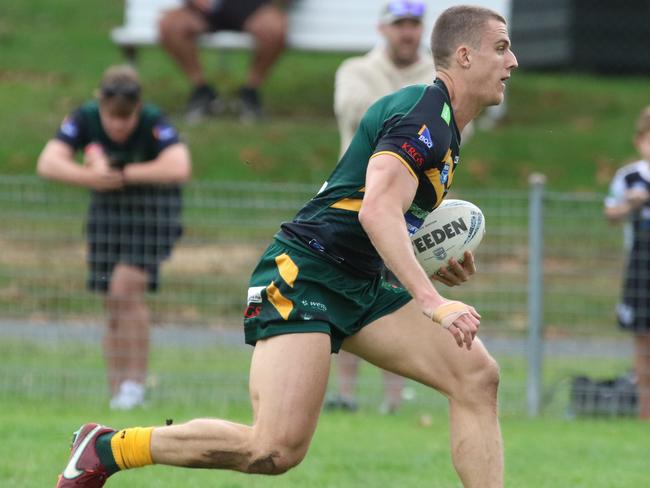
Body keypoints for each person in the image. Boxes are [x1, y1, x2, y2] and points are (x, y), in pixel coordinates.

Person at [54, 6, 517, 488]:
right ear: (464, 56)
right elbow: (375, 211)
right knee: (273, 450)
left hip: (361, 281)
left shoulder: (446, 124)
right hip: (306, 273)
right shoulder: (424, 117)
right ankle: (106, 448)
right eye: (501, 48)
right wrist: (432, 301)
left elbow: (388, 213)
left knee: (475, 376)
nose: (513, 62)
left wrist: (426, 261)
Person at [37, 65, 191, 411]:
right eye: (113, 118)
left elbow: (178, 165)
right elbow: (48, 162)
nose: (119, 126)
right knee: (112, 300)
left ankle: (135, 384)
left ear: (138, 106)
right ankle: (116, 389)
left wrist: (122, 173)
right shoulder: (84, 118)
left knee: (125, 289)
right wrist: (89, 177)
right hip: (107, 216)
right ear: (100, 103)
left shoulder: (154, 120)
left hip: (153, 216)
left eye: (127, 117)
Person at [327, 0, 439, 414]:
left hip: (412, 207)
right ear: (383, 29)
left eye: (414, 24)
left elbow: (459, 126)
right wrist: (420, 108)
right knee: (348, 293)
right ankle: (348, 395)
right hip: (356, 202)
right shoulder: (355, 69)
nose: (408, 32)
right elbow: (355, 113)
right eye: (400, 24)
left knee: (399, 294)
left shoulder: (435, 71)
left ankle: (394, 397)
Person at [158, 0, 291, 122]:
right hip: (205, 11)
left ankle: (250, 92)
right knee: (170, 24)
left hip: (253, 9)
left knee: (275, 28)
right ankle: (202, 90)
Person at [603, 106, 650, 420]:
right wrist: (630, 204)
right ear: (640, 141)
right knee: (643, 342)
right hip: (641, 269)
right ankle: (645, 415)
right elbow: (611, 213)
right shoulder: (630, 177)